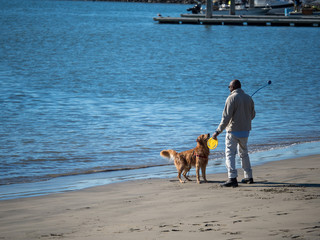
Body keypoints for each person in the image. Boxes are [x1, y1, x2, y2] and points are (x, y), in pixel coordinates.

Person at [212, 79, 255, 187]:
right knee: (244, 153)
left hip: (233, 131)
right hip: (245, 131)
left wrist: (217, 131)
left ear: (233, 87)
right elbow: (253, 115)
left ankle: (232, 178)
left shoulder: (231, 98)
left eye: (229, 87)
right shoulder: (248, 98)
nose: (229, 89)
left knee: (230, 153)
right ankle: (248, 177)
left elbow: (226, 118)